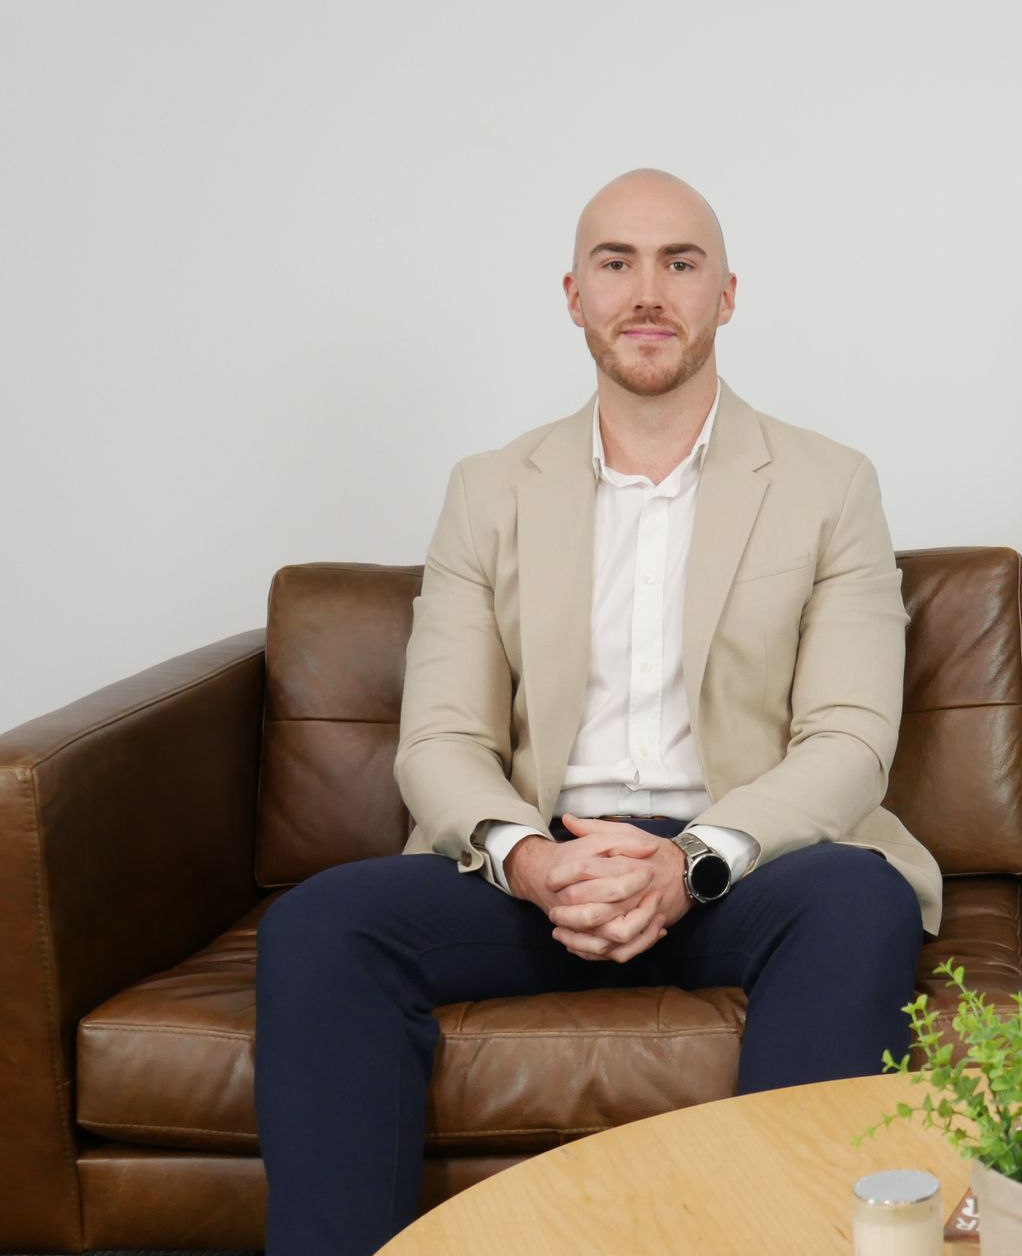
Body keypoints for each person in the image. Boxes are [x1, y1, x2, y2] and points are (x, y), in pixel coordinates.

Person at [254, 170, 938, 1256]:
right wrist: (531, 860)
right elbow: (440, 740)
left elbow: (850, 740)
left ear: (727, 294)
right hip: (546, 867)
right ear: (575, 295)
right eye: (616, 263)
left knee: (861, 900)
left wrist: (689, 863)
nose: (648, 291)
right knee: (319, 925)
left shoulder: (829, 483)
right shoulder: (489, 489)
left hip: (745, 867)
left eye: (681, 263)